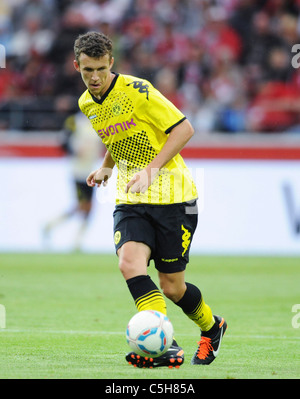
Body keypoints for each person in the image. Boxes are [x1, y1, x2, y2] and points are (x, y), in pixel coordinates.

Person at [73, 31, 227, 368]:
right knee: (129, 264)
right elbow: (118, 136)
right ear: (77, 66)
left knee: (173, 287)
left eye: (100, 68)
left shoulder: (138, 90)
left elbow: (184, 128)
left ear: (111, 62)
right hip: (131, 197)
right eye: (87, 71)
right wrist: (105, 168)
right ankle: (165, 346)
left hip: (175, 197)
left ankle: (212, 326)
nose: (95, 77)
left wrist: (153, 171)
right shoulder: (86, 103)